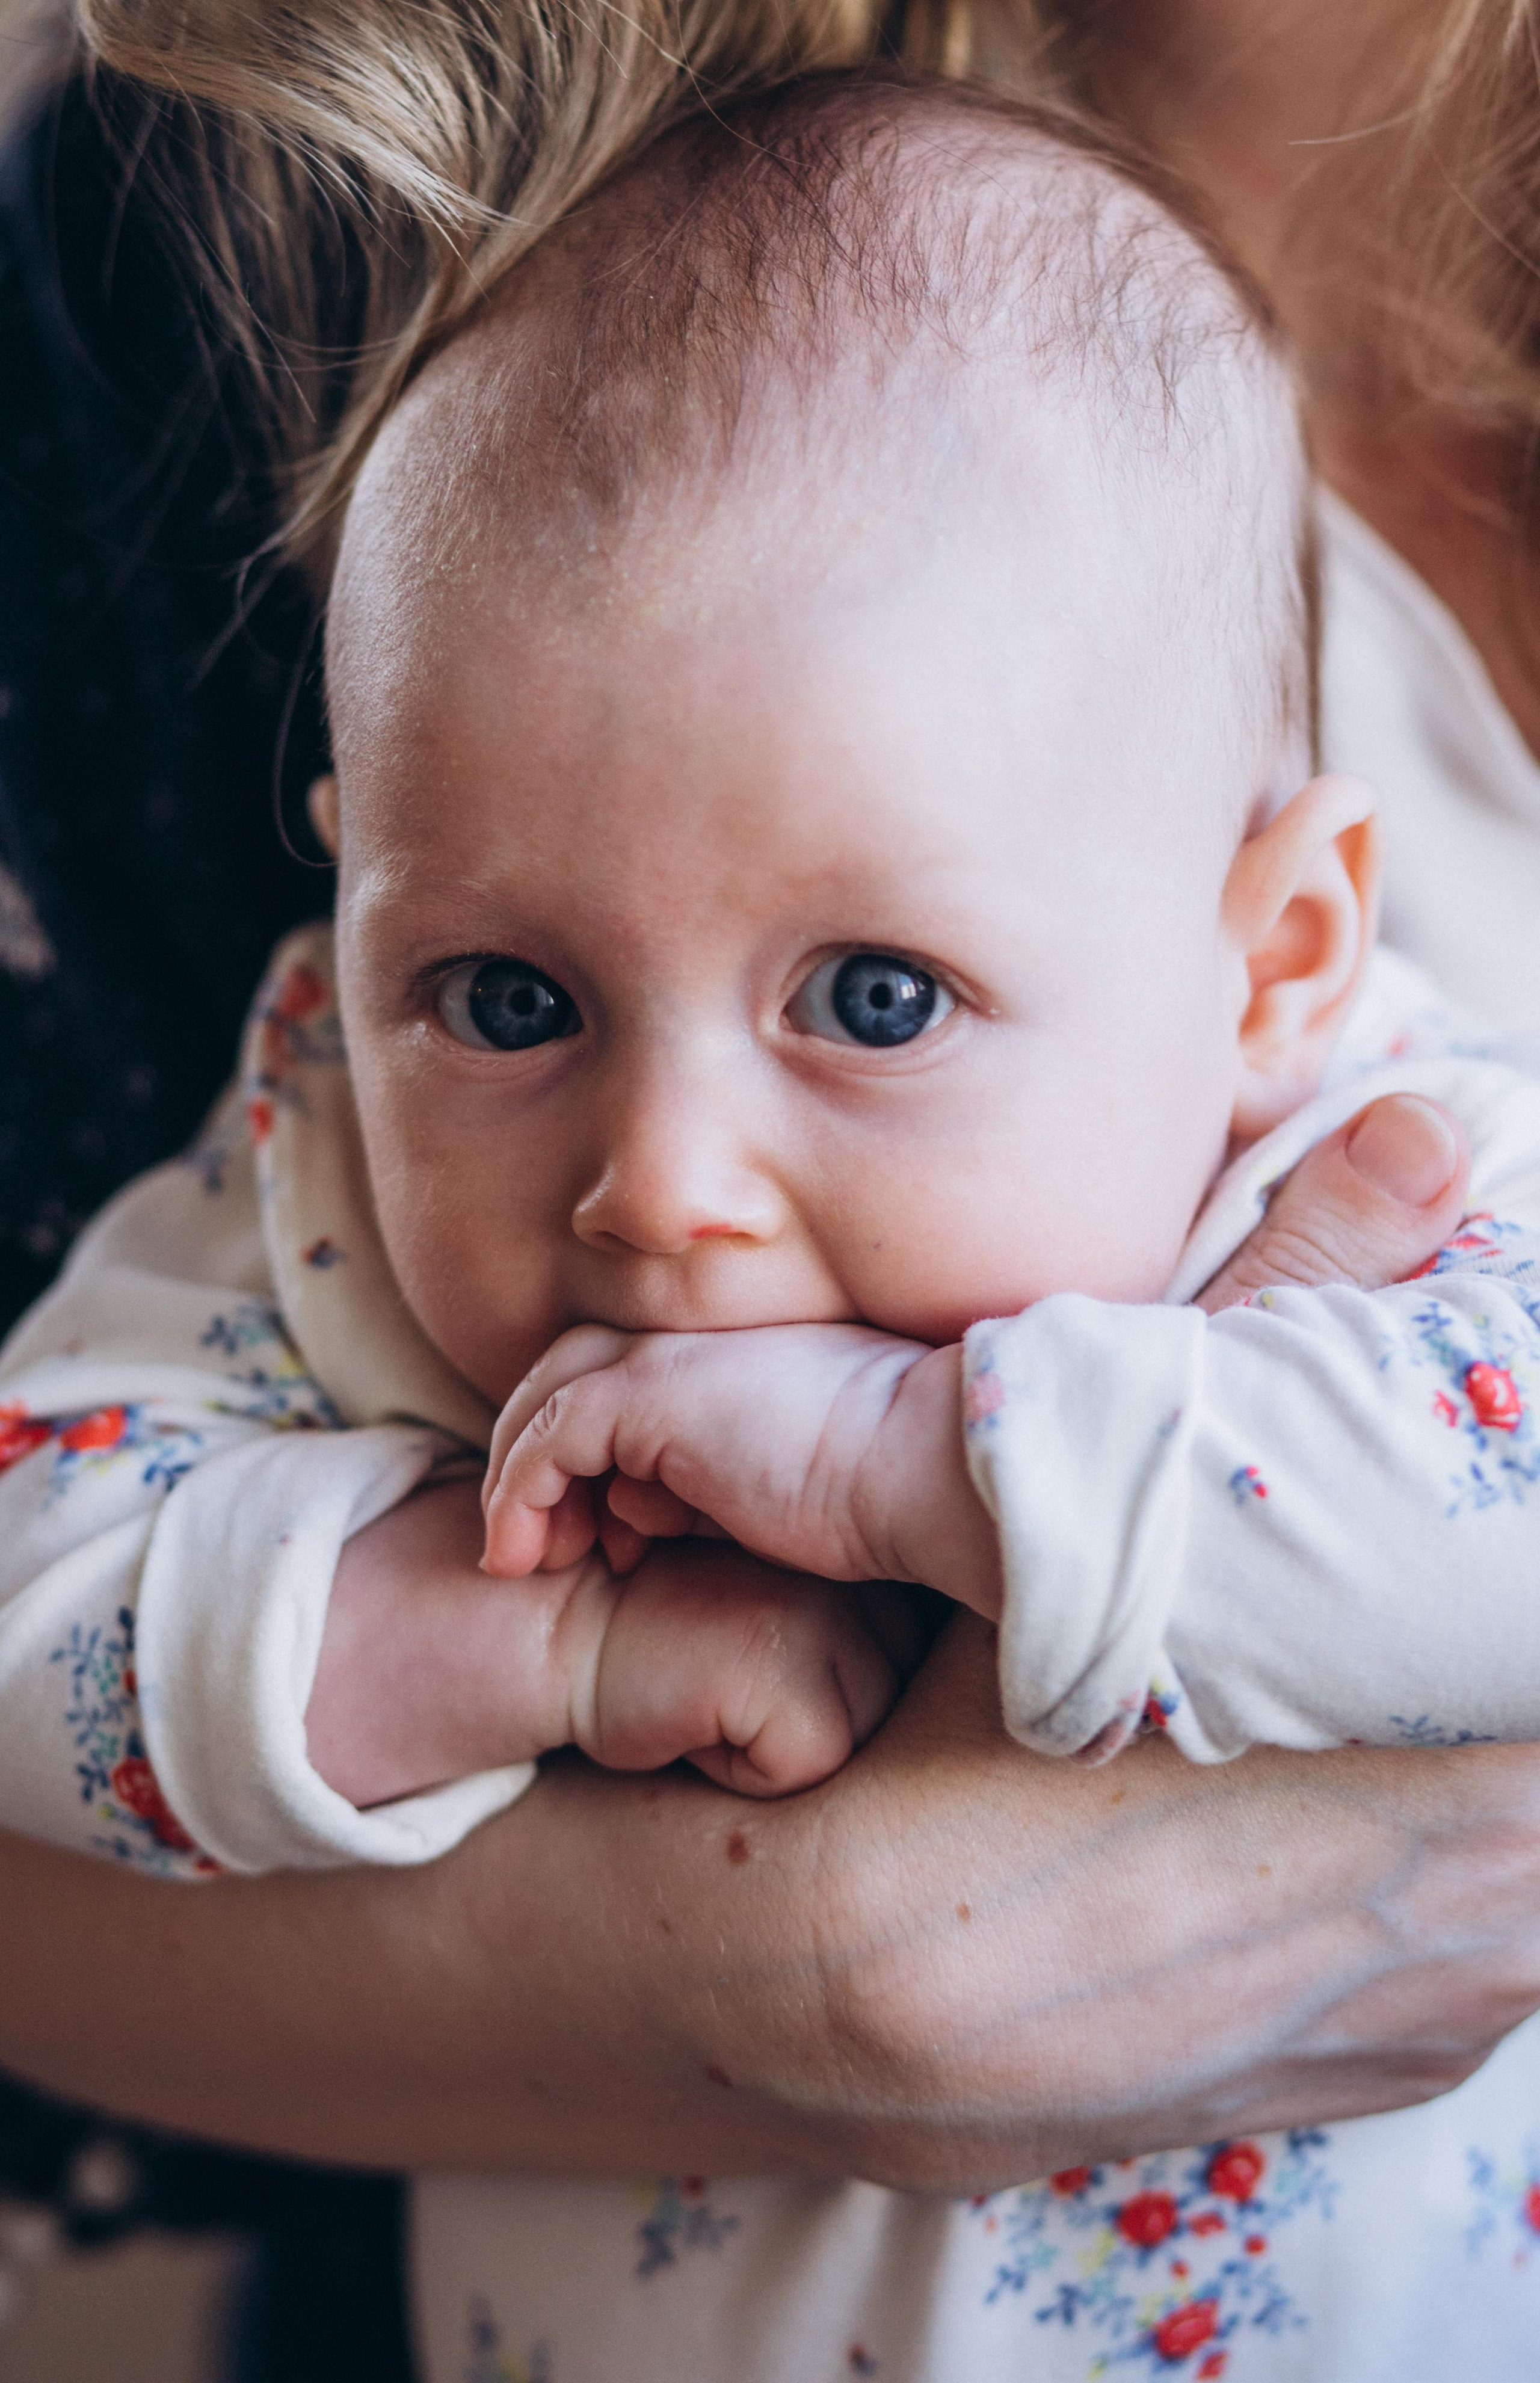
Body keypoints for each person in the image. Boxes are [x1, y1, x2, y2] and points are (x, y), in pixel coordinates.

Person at [4, 3, 1540, 2379]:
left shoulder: (1366, 1135)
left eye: (878, 999)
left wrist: (918, 1471)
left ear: (1270, 955)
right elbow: (36, 1601)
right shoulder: (329, 1157)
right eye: (511, 997)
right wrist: (518, 1647)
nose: (663, 1187)